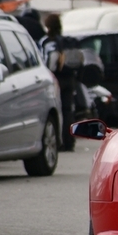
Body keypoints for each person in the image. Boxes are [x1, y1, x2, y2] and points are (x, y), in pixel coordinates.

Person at [39, 14, 76, 151]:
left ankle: (59, 141)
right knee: (68, 111)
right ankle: (69, 141)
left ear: (48, 26)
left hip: (57, 79)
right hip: (70, 78)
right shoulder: (66, 41)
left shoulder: (48, 42)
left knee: (57, 110)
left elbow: (51, 62)